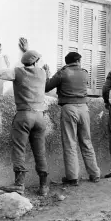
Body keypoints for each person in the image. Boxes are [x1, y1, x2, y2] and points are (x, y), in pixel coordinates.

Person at [0, 39, 49, 196]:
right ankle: (44, 186)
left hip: (24, 115)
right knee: (40, 152)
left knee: (19, 149)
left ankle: (19, 184)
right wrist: (27, 51)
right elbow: (36, 63)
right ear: (36, 62)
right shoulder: (43, 73)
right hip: (40, 117)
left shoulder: (17, 72)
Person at [44, 52, 101, 186]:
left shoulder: (63, 73)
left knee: (70, 143)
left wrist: (47, 74)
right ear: (79, 61)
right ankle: (95, 174)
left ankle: (73, 177)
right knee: (86, 142)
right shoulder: (85, 73)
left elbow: (46, 87)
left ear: (67, 62)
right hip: (84, 109)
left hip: (69, 108)